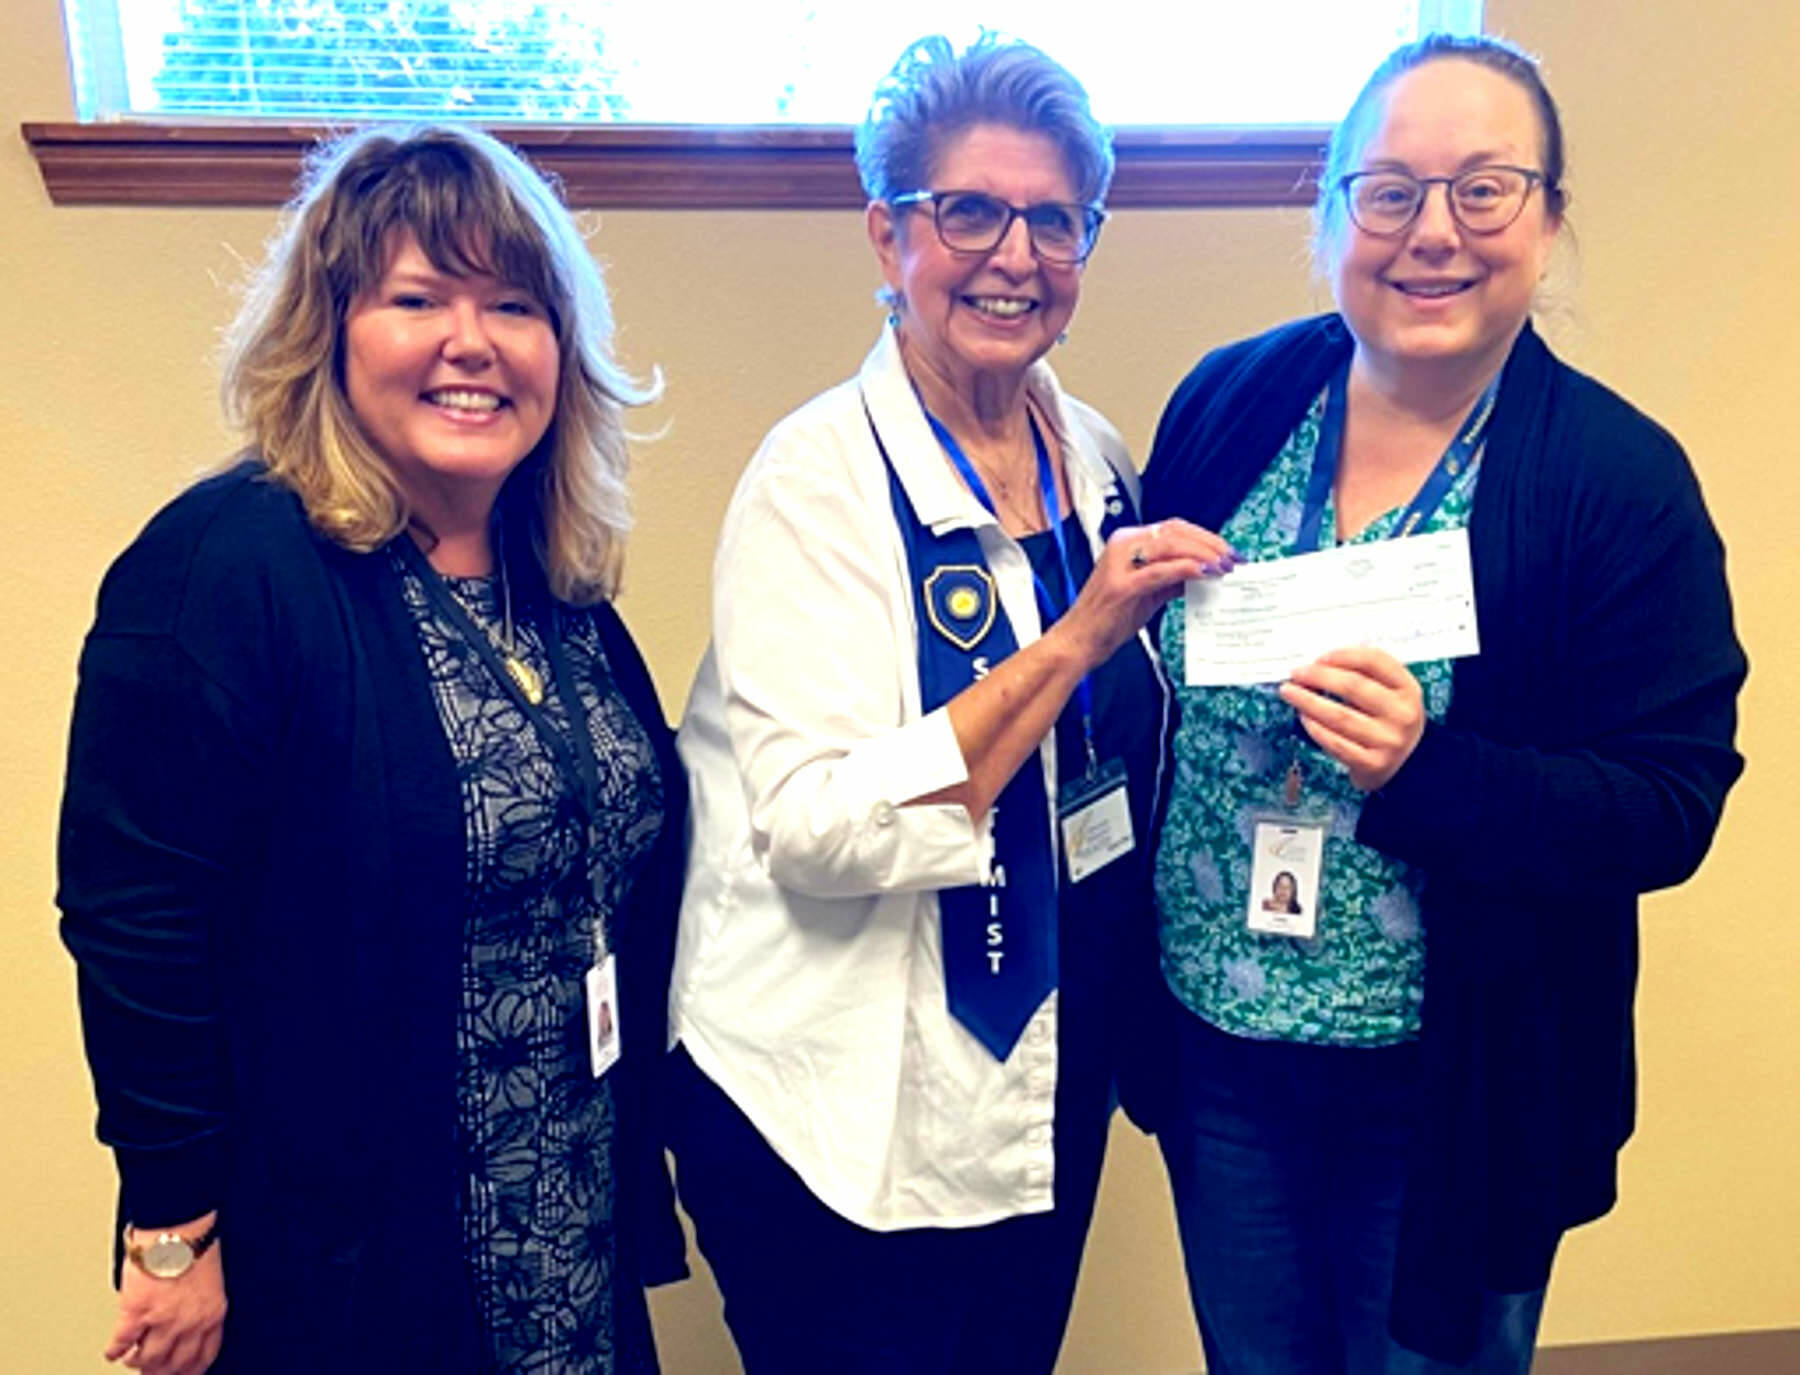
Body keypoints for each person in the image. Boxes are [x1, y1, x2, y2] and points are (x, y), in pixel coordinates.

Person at [1142, 32, 1747, 1373]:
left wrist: (1428, 771)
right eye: (1392, 190)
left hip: (1447, 1089)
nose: (1434, 233)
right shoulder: (1231, 406)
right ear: (1332, 213)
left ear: (1549, 218)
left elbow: (1669, 804)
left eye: (1485, 189)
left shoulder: (1615, 480)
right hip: (1222, 1051)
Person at [57, 124, 688, 1375]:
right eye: (419, 298)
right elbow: (137, 917)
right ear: (332, 329)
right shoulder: (223, 571)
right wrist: (170, 1229)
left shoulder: (552, 581)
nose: (473, 341)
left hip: (564, 1212)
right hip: (344, 1257)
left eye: (514, 304)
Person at [666, 33, 1229, 1374]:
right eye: (969, 211)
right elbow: (812, 824)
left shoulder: (1085, 448)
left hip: (1035, 1064)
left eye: (1056, 220)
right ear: (887, 233)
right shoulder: (812, 483)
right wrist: (1074, 638)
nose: (1015, 255)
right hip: (836, 1095)